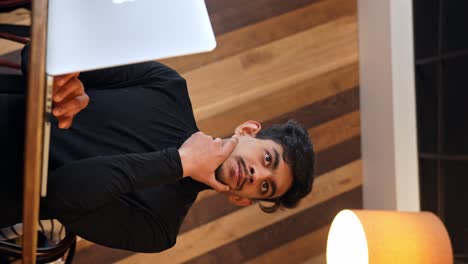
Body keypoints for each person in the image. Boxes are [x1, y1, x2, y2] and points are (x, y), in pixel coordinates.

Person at [0, 45, 315, 253]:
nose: (256, 173)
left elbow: (59, 194)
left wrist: (179, 163)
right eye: (267, 159)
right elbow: (39, 52)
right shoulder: (166, 86)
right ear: (247, 131)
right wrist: (57, 82)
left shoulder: (159, 229)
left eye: (265, 186)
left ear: (241, 199)